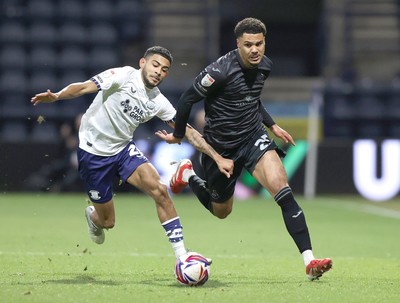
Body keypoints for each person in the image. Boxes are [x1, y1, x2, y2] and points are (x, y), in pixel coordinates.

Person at [156, 18, 333, 281]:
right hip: (220, 147)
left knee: (281, 188)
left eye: (259, 44)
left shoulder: (265, 66)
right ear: (238, 44)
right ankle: (188, 174)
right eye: (248, 44)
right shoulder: (219, 72)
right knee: (221, 211)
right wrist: (179, 135)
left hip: (252, 138)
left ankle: (309, 261)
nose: (254, 50)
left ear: (265, 43)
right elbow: (186, 100)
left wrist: (272, 126)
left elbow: (252, 99)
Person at [31, 46, 233, 262]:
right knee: (108, 222)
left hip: (123, 149)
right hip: (93, 154)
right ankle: (93, 216)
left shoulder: (158, 101)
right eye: (155, 65)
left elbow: (189, 132)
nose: (158, 72)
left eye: (164, 70)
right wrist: (58, 96)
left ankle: (182, 257)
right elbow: (83, 87)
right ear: (142, 63)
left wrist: (217, 157)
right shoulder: (122, 76)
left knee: (160, 190)